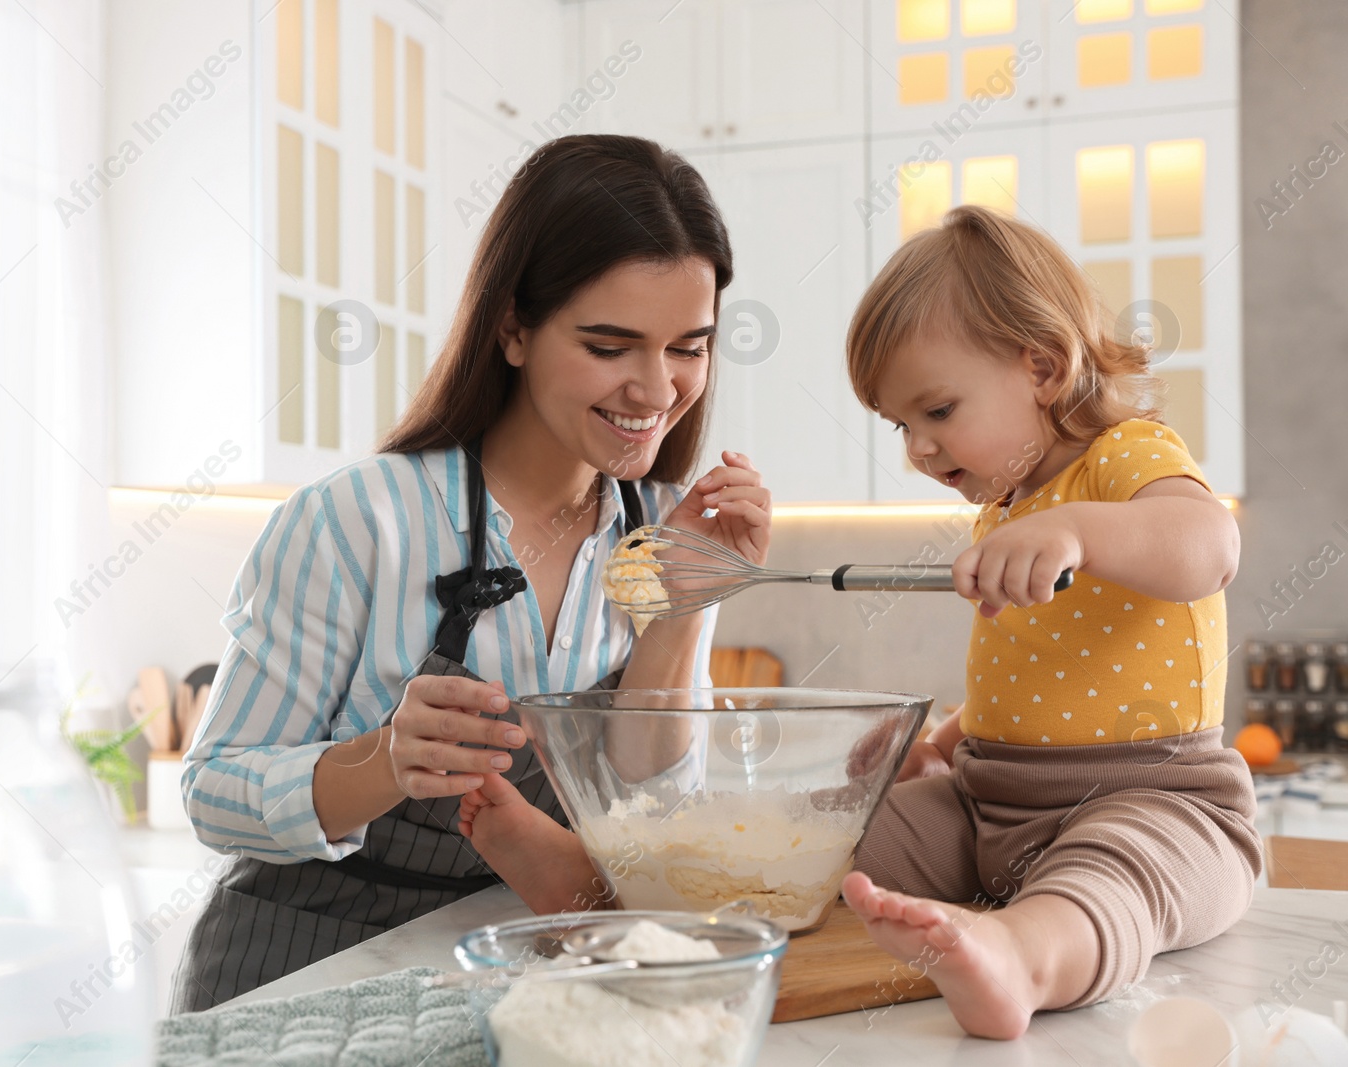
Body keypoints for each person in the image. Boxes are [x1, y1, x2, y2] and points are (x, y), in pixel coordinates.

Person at [167, 134, 771, 1012]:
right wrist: (385, 759)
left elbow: (649, 813)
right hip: (300, 973)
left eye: (689, 346)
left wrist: (684, 606)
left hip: (508, 973)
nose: (657, 388)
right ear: (512, 327)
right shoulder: (359, 520)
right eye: (611, 346)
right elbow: (213, 793)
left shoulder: (660, 526)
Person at [839, 204, 1256, 1039]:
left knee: (1108, 878)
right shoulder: (1006, 508)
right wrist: (941, 747)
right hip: (989, 801)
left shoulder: (1126, 456)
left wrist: (1077, 532)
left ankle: (1021, 955)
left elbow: (1208, 545)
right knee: (834, 831)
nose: (918, 447)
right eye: (901, 425)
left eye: (939, 410)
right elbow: (1032, 667)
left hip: (1152, 798)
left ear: (1042, 366)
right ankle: (702, 892)